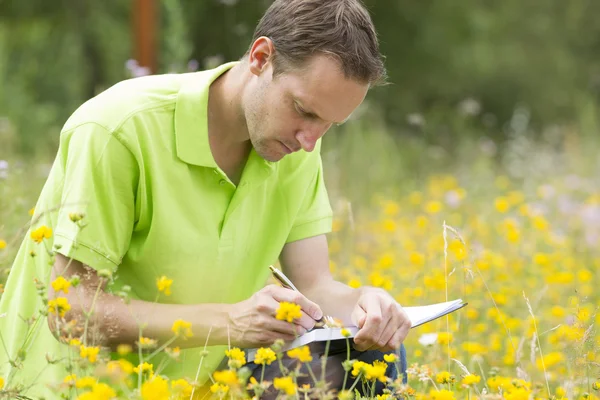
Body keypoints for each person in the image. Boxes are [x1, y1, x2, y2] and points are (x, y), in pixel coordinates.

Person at [0, 0, 411, 398]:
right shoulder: (121, 129)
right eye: (303, 110)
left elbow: (316, 284)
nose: (310, 140)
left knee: (375, 354)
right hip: (79, 389)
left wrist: (364, 305)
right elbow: (69, 311)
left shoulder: (294, 146)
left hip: (199, 387)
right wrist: (228, 322)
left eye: (329, 124)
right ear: (261, 57)